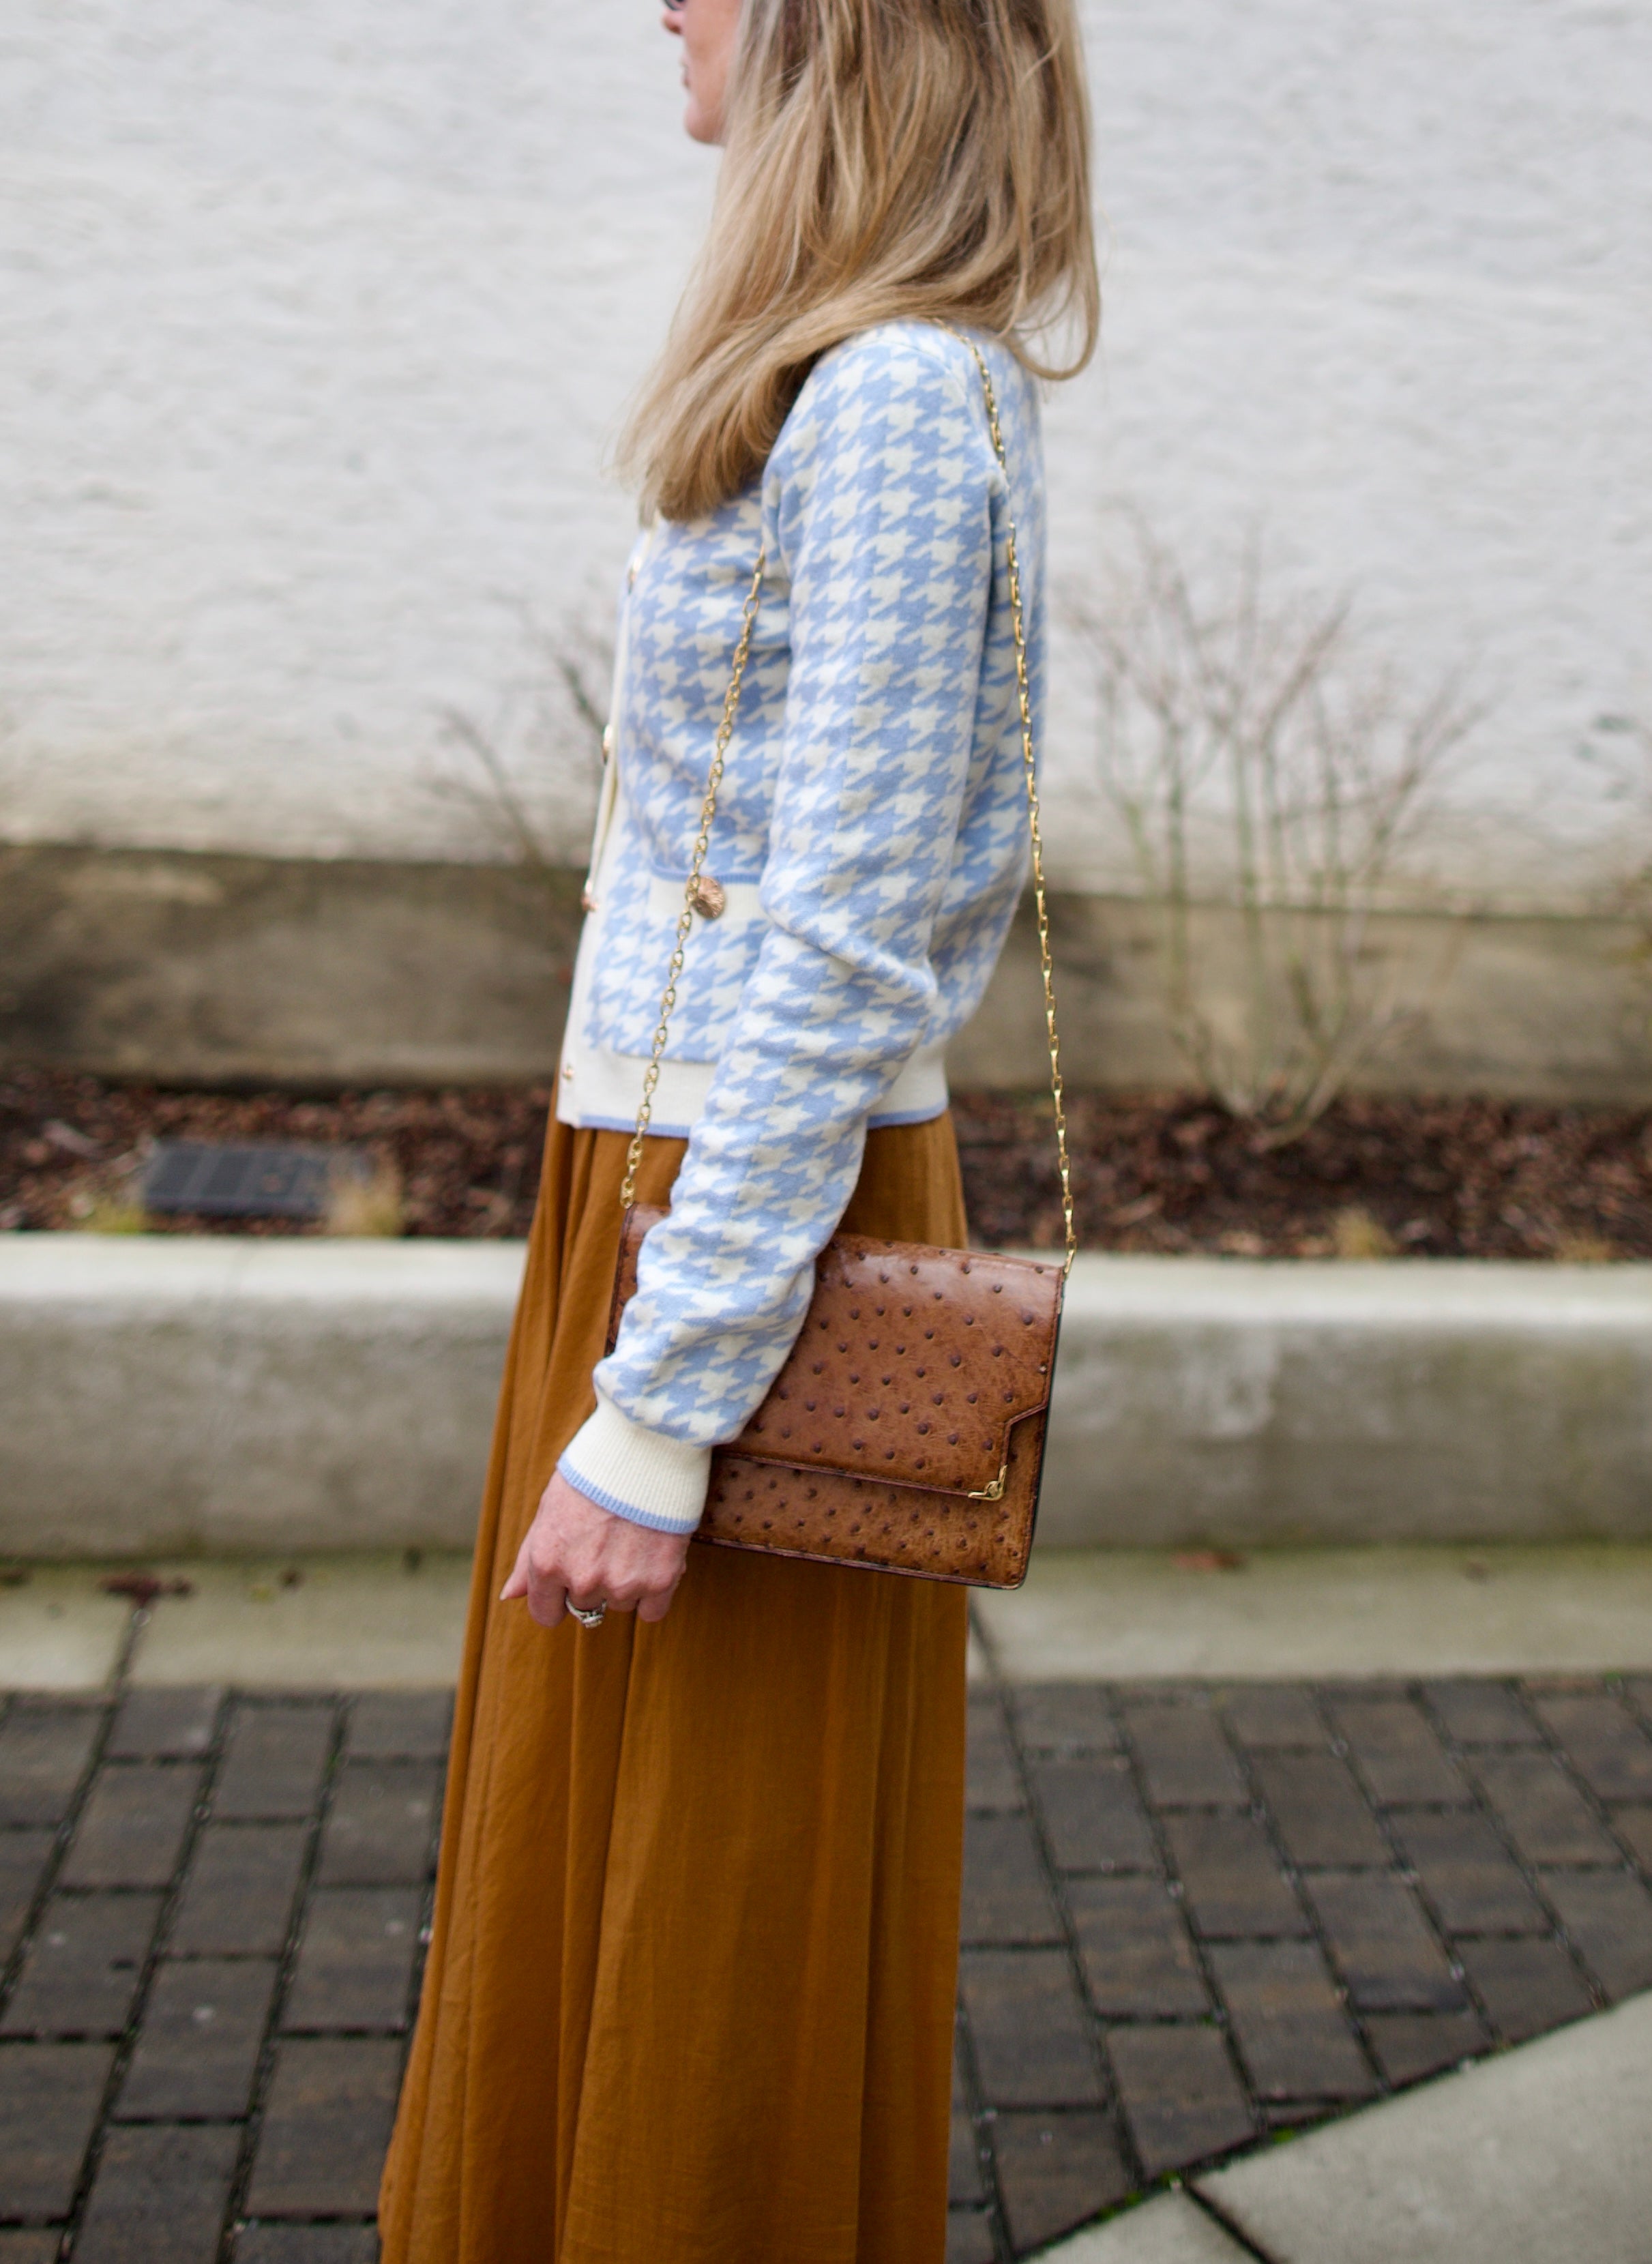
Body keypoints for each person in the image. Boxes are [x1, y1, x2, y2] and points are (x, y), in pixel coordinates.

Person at [378, 3, 1097, 2257]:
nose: (662, 6)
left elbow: (847, 932)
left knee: (706, 1912)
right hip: (685, 1192)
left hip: (742, 1229)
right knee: (617, 1868)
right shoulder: (856, 370)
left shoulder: (887, 393)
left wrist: (668, 1405)